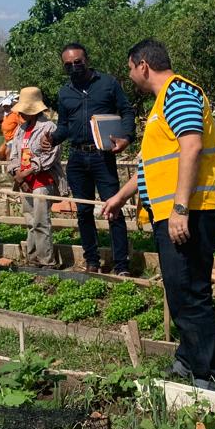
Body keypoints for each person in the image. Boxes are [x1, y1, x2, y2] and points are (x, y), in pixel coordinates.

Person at [103, 39, 215, 391]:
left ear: (143, 65)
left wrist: (179, 209)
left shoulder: (178, 94)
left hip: (190, 212)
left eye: (130, 68)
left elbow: (192, 147)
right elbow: (150, 166)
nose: (130, 76)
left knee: (189, 293)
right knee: (181, 291)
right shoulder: (162, 104)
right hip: (177, 212)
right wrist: (119, 197)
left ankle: (213, 377)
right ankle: (190, 360)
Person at [42, 43, 136, 276]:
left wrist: (126, 137)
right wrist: (53, 139)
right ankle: (92, 260)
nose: (74, 67)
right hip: (76, 157)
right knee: (83, 211)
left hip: (102, 156)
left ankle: (121, 264)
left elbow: (126, 110)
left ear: (86, 60)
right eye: (68, 65)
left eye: (77, 62)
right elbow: (64, 125)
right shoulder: (64, 93)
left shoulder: (107, 84)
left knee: (113, 208)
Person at [6, 87, 62, 267]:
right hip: (25, 182)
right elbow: (14, 154)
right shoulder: (21, 129)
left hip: (42, 180)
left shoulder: (49, 128)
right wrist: (17, 174)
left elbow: (50, 157)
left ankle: (47, 260)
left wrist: (27, 172)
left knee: (41, 221)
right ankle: (32, 257)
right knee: (30, 220)